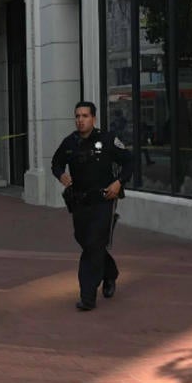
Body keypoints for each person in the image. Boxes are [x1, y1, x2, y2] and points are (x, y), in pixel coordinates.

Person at [51, 101, 133, 312]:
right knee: (85, 241)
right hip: (80, 202)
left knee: (94, 244)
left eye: (85, 116)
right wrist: (61, 175)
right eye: (77, 116)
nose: (80, 120)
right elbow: (56, 162)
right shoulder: (70, 142)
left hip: (103, 200)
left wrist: (119, 182)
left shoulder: (107, 140)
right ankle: (110, 272)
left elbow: (129, 161)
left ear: (93, 118)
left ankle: (87, 296)